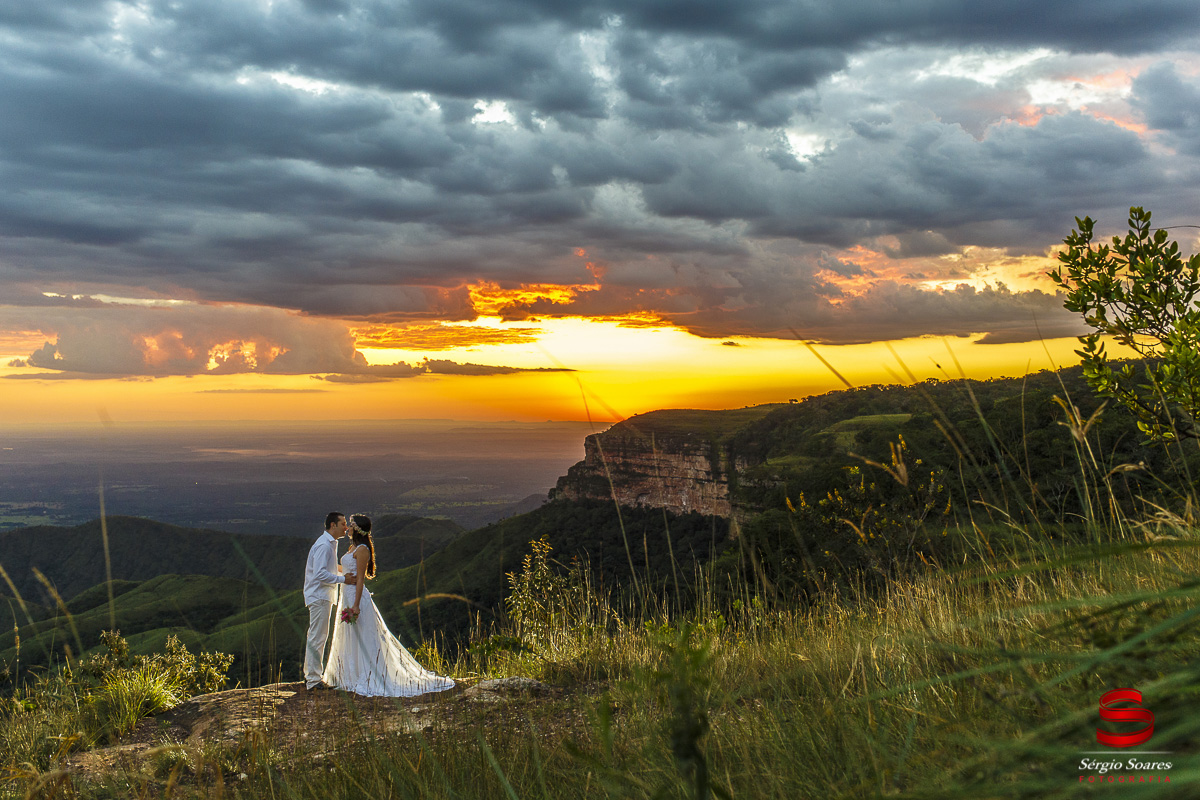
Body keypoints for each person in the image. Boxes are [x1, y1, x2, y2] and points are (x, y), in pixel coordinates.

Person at [323, 513, 456, 697]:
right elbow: (345, 570)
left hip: (355, 596)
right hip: (346, 594)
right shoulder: (352, 547)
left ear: (358, 529)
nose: (348, 527)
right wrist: (327, 566)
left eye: (351, 524)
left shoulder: (362, 549)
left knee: (363, 636)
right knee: (351, 635)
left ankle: (368, 675)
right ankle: (350, 674)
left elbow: (360, 579)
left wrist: (356, 605)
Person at [303, 511, 355, 690]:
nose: (346, 527)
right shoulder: (325, 545)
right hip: (319, 595)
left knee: (317, 636)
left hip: (322, 595)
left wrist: (345, 572)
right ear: (333, 525)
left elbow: (329, 569)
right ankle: (313, 680)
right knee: (318, 637)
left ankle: (311, 675)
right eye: (342, 524)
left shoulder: (329, 544)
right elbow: (319, 574)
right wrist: (344, 580)